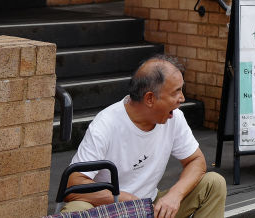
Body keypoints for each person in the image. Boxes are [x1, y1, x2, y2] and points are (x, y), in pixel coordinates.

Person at [61, 55, 227, 218]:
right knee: (77, 208)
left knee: (213, 184)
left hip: (152, 208)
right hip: (112, 210)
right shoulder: (106, 124)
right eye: (176, 92)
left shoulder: (174, 117)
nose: (182, 98)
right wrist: (127, 200)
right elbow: (74, 184)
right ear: (149, 98)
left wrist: (175, 195)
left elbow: (196, 161)